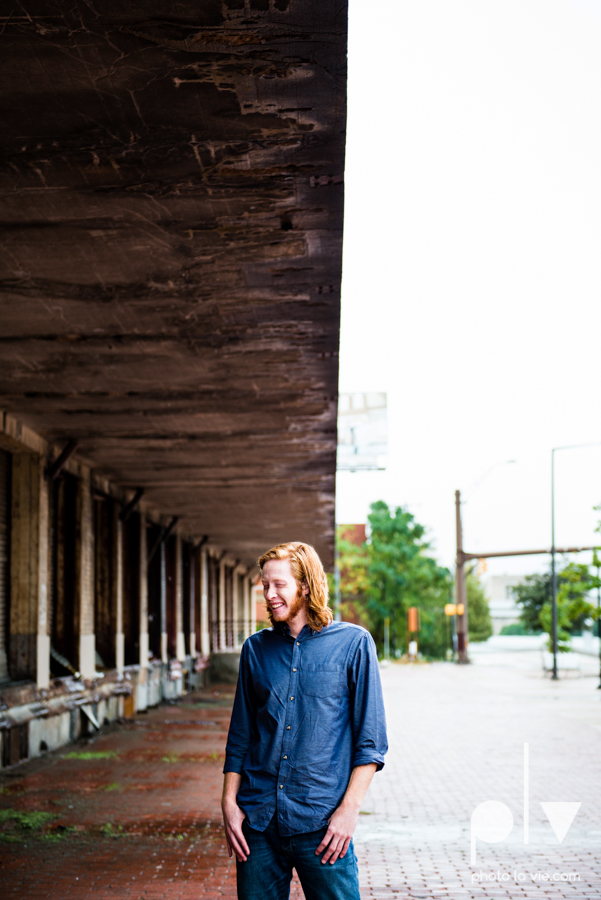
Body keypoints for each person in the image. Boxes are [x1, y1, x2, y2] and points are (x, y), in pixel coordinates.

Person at [222, 541, 388, 900]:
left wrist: (348, 811)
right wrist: (229, 804)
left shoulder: (354, 644)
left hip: (323, 826)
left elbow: (371, 743)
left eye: (279, 585)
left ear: (306, 586)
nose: (269, 594)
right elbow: (240, 735)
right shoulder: (255, 649)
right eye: (265, 585)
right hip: (259, 824)